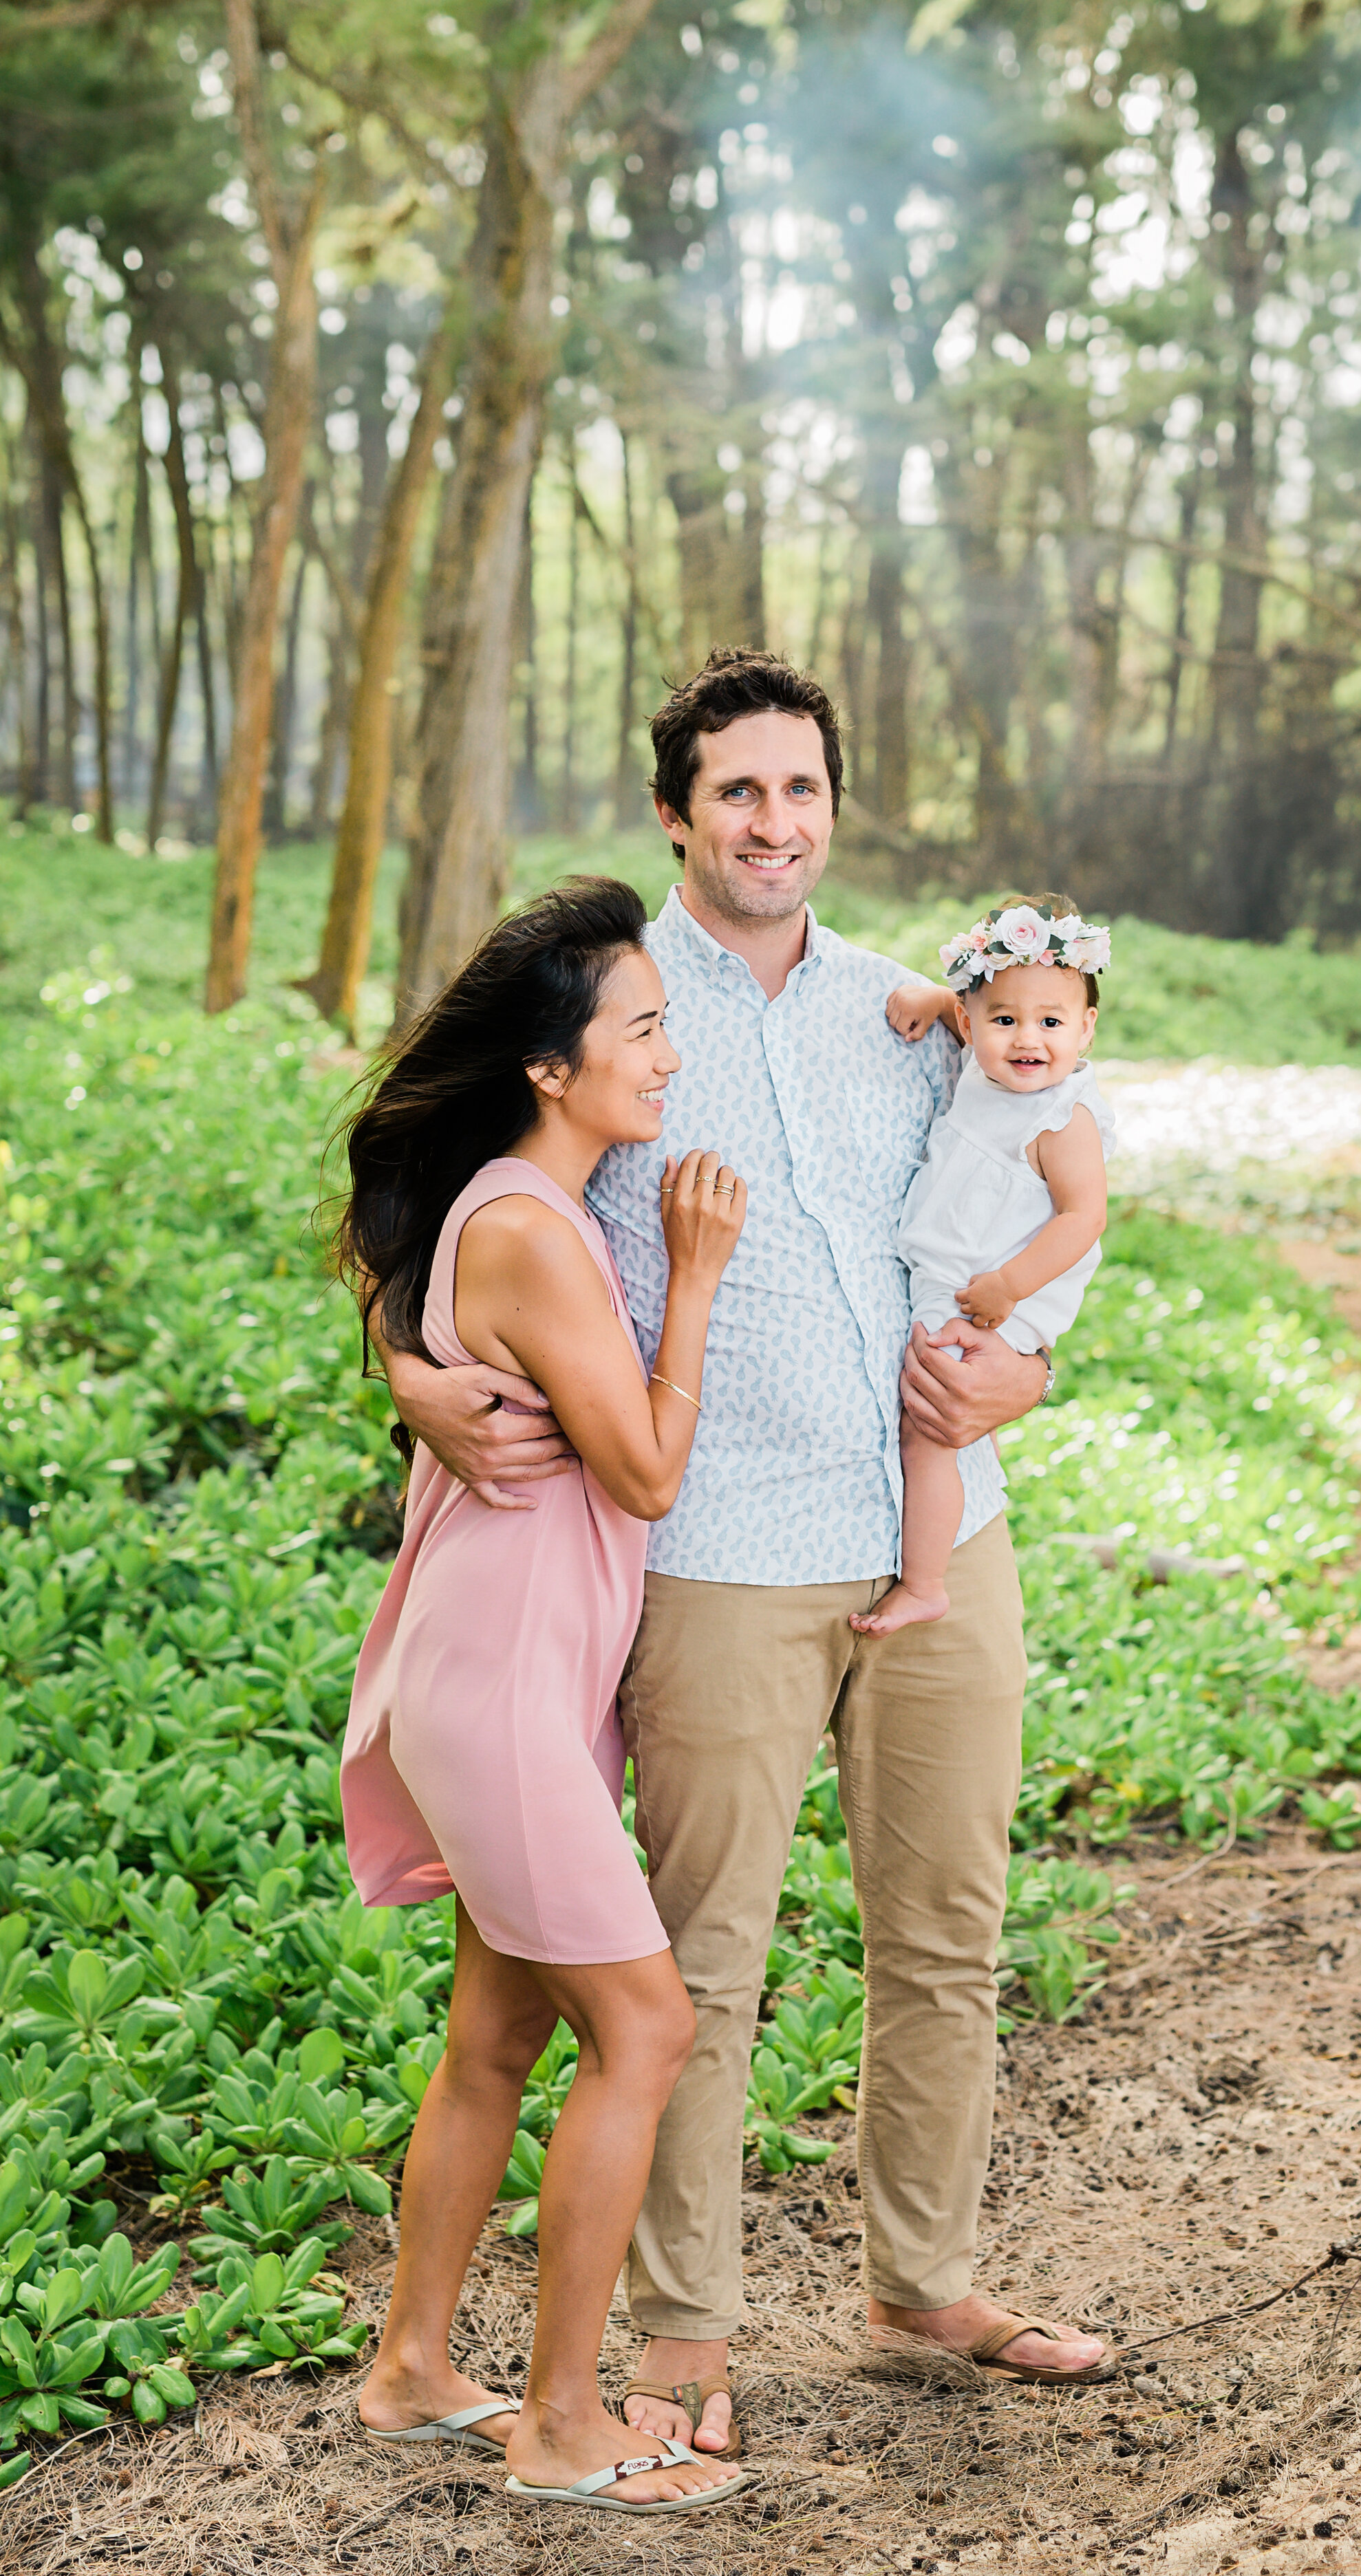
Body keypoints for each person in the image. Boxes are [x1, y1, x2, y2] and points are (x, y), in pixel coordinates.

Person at [383, 651, 1111, 2465]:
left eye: (800, 792)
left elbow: (1031, 1189)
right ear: (676, 815)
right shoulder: (621, 1012)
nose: (773, 824)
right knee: (699, 1972)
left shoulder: (924, 1010)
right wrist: (411, 1380)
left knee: (944, 1940)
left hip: (946, 1532)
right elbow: (441, 1211)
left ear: (832, 807)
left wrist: (1029, 1365)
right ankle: (681, 2342)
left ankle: (922, 2280)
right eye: (738, 795)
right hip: (714, 1558)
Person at [336, 877, 754, 2517]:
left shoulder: (517, 1211)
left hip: (506, 1676)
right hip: (503, 1688)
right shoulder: (529, 1227)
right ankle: (565, 2423)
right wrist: (699, 1275)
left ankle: (414, 2369)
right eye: (641, 1028)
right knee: (645, 2025)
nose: (668, 1053)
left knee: (499, 2032)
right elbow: (643, 1471)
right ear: (551, 1069)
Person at [853, 895, 1115, 1636]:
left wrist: (1008, 1288)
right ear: (971, 1023)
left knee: (928, 1428)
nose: (1027, 1038)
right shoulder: (986, 1063)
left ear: (1086, 1028)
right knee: (954, 1425)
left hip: (991, 1290)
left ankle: (926, 1581)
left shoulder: (1061, 1117)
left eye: (1052, 1023)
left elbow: (1082, 1219)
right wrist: (937, 998)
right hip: (960, 1270)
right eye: (1004, 1020)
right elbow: (973, 1009)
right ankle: (966, 1503)